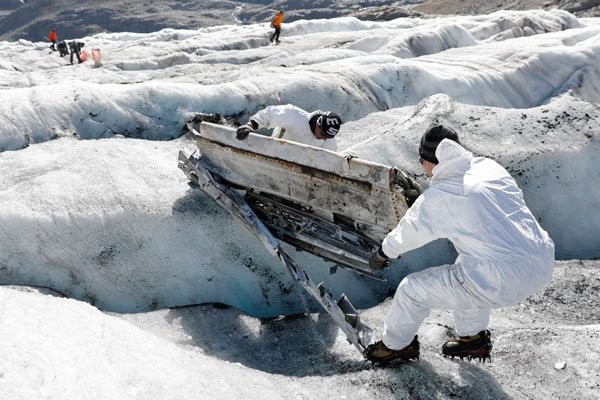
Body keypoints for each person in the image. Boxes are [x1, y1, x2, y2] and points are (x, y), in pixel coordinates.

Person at [364, 123, 555, 364]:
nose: (421, 166)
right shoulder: (488, 167)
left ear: (432, 160)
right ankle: (472, 338)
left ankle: (395, 346)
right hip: (541, 260)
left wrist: (383, 253)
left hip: (502, 279)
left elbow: (410, 231)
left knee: (411, 290)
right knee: (468, 268)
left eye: (421, 159)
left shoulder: (443, 196)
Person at [235, 104, 342, 151]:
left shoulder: (329, 142)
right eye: (323, 134)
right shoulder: (293, 116)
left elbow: (329, 161)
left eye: (328, 137)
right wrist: (251, 124)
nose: (324, 139)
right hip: (271, 157)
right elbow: (269, 114)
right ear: (318, 125)